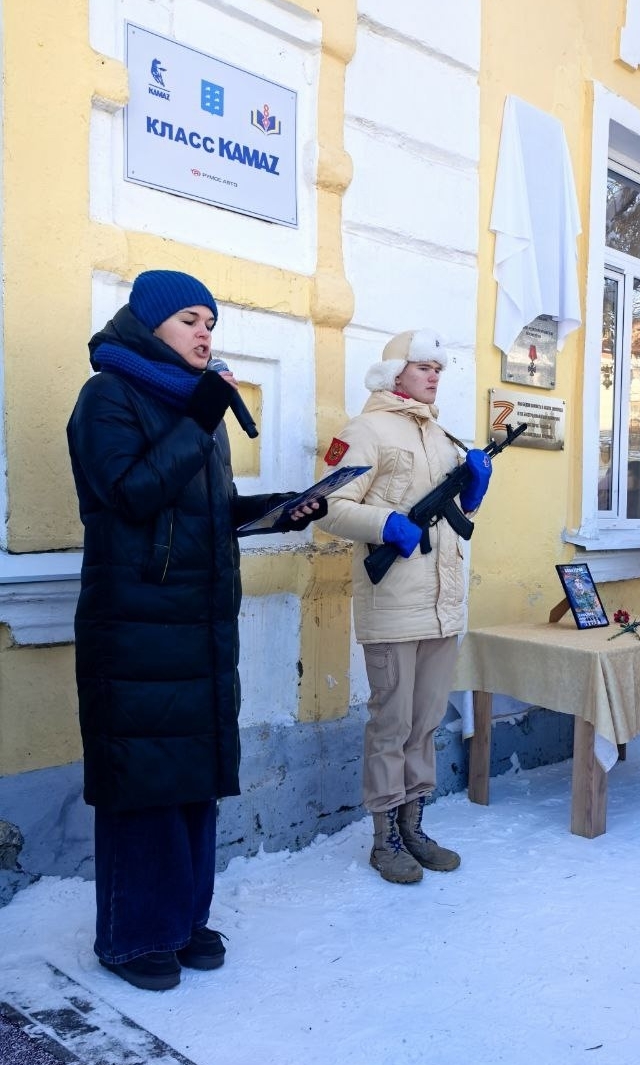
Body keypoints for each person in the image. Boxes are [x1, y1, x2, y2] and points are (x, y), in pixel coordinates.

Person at [67, 271, 324, 991]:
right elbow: (129, 496)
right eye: (189, 320)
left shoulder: (191, 408)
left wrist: (280, 510)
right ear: (149, 324)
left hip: (198, 626)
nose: (205, 333)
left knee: (191, 783)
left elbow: (205, 511)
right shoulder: (108, 397)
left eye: (210, 322)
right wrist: (201, 418)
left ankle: (181, 920)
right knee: (144, 783)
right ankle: (131, 936)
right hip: (136, 627)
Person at [316, 329, 492, 884]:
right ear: (396, 373)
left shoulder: (441, 435)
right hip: (392, 603)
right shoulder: (364, 430)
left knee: (426, 723)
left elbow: (452, 516)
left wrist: (472, 493)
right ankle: (384, 837)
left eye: (438, 369)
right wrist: (385, 523)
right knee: (391, 725)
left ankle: (414, 825)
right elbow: (328, 505)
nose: (434, 376)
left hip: (442, 604)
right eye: (422, 367)